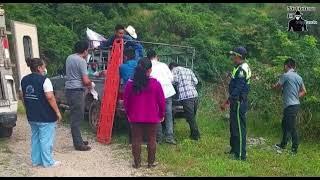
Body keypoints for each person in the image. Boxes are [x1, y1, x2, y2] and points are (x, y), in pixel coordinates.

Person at [124, 58, 165, 169]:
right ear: (150, 69)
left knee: (136, 139)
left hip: (135, 117)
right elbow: (162, 101)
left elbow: (126, 101)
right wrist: (161, 115)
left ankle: (137, 163)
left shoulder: (130, 83)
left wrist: (128, 114)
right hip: (152, 117)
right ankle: (150, 163)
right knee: (152, 139)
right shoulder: (155, 83)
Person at [21, 58, 62, 167]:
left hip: (32, 115)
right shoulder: (45, 80)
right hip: (45, 116)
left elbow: (23, 97)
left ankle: (36, 160)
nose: (45, 69)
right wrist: (57, 112)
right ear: (39, 68)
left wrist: (27, 108)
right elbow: (50, 97)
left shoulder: (24, 80)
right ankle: (48, 162)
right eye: (44, 67)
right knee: (46, 139)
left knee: (35, 138)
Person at [221, 46, 251, 161]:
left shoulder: (242, 70)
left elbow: (238, 89)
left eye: (233, 55)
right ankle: (234, 149)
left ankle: (240, 155)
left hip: (239, 102)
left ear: (239, 56)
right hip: (235, 101)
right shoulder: (238, 67)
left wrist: (227, 102)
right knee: (233, 127)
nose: (232, 57)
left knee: (239, 128)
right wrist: (229, 101)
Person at [272, 58, 306, 154]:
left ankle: (294, 149)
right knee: (284, 124)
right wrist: (296, 97)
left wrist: (273, 87)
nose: (284, 68)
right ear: (294, 67)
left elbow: (277, 87)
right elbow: (304, 91)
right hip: (295, 105)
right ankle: (283, 144)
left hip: (290, 106)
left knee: (291, 127)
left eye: (284, 66)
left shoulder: (286, 75)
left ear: (286, 66)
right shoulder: (299, 77)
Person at [65, 40, 93, 151]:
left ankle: (78, 139)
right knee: (77, 117)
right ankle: (78, 144)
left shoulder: (69, 58)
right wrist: (91, 84)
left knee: (74, 115)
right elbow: (85, 80)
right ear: (85, 50)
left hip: (69, 89)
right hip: (77, 90)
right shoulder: (81, 61)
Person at [147, 50, 177, 145]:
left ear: (148, 57)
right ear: (156, 56)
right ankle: (169, 136)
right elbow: (172, 78)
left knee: (157, 114)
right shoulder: (164, 65)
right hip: (167, 92)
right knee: (168, 114)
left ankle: (158, 138)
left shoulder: (147, 66)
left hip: (155, 93)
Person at [169, 62, 200, 140]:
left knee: (190, 117)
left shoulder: (174, 70)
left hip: (186, 97)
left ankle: (196, 136)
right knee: (192, 116)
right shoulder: (188, 70)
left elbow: (174, 81)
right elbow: (196, 81)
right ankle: (194, 134)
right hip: (194, 94)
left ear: (171, 67)